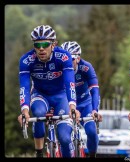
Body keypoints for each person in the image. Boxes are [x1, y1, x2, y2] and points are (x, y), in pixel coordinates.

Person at [17, 25, 80, 158]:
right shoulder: (26, 60)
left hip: (61, 96)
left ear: (54, 44)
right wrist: (25, 112)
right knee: (38, 112)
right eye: (37, 45)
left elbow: (70, 83)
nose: (41, 48)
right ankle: (39, 152)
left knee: (64, 137)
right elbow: (24, 87)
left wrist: (72, 107)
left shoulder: (63, 57)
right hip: (40, 94)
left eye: (45, 44)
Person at [61, 41, 102, 158]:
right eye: (65, 60)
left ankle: (92, 155)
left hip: (85, 104)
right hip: (66, 105)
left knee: (91, 132)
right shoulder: (59, 70)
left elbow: (94, 90)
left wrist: (95, 110)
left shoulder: (86, 67)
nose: (68, 63)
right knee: (64, 136)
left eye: (71, 59)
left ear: (78, 59)